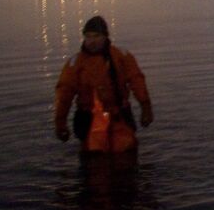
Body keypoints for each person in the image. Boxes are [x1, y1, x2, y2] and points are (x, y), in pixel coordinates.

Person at [53, 15, 154, 153]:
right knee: (94, 159)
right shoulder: (75, 63)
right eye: (88, 37)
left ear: (105, 37)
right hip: (90, 121)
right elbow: (64, 94)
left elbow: (137, 81)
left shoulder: (121, 56)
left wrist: (146, 107)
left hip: (120, 117)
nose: (91, 41)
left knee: (127, 153)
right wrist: (60, 123)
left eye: (96, 36)